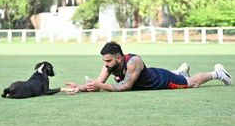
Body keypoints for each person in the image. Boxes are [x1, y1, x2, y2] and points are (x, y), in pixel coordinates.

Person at [61, 41, 232, 94]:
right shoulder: (109, 66)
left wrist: (100, 85)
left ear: (119, 58)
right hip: (151, 74)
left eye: (108, 61)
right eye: (104, 61)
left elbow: (125, 86)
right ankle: (180, 71)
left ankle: (218, 73)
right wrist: (80, 87)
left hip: (162, 80)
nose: (105, 64)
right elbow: (97, 84)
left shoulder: (133, 61)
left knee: (192, 82)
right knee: (184, 77)